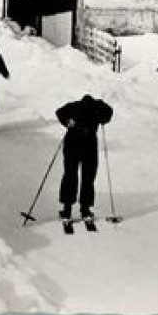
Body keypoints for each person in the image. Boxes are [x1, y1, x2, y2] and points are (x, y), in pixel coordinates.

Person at [55, 93, 114, 221]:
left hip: (73, 142)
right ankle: (85, 209)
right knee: (88, 176)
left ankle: (67, 209)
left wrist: (67, 122)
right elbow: (109, 113)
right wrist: (102, 118)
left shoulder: (74, 105)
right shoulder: (98, 106)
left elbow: (59, 112)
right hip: (89, 143)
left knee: (70, 174)